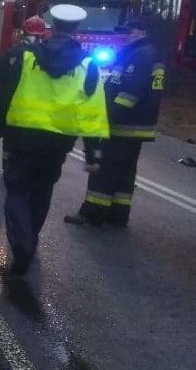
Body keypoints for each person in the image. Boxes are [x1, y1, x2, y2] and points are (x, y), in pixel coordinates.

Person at [0, 4, 109, 277]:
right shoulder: (90, 66)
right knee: (42, 191)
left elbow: (6, 95)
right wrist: (93, 155)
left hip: (22, 138)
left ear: (51, 27)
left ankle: (23, 244)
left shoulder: (27, 57)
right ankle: (30, 238)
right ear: (76, 30)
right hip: (58, 143)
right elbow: (92, 113)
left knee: (17, 191)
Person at [65, 18, 165, 227]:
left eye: (128, 32)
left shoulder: (139, 55)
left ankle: (92, 213)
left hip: (123, 125)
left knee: (105, 169)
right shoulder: (149, 53)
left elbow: (129, 93)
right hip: (136, 127)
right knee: (124, 172)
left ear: (142, 32)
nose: (124, 35)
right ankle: (118, 213)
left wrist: (107, 119)